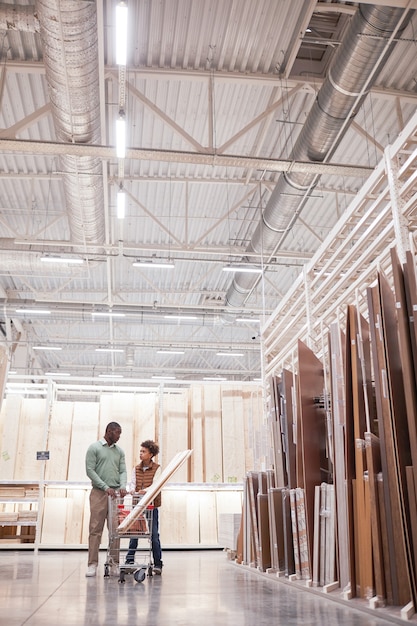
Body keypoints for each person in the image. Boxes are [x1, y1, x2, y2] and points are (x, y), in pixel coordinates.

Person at [85, 421, 127, 577]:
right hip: (99, 493)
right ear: (109, 431)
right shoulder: (94, 448)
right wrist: (104, 487)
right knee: (95, 529)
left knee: (116, 530)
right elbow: (90, 470)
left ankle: (114, 563)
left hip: (116, 495)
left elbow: (123, 471)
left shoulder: (119, 451)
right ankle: (92, 564)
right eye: (117, 433)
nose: (119, 436)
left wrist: (122, 485)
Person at [125, 439, 163, 574]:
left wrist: (145, 491)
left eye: (143, 451)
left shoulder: (158, 469)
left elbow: (156, 484)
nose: (140, 454)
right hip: (138, 504)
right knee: (134, 533)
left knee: (153, 535)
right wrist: (131, 490)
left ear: (151, 454)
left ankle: (158, 563)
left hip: (151, 505)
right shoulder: (136, 468)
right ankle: (129, 561)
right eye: (140, 451)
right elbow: (132, 483)